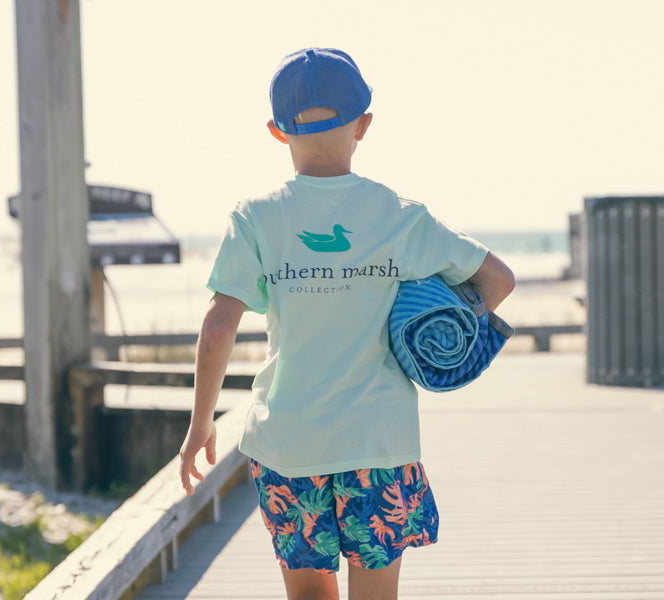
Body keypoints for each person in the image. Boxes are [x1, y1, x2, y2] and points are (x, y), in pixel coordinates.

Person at [177, 48, 515, 600]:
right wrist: (433, 329)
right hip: (378, 443)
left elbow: (217, 329)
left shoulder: (256, 217)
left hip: (288, 445)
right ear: (364, 124)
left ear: (276, 132)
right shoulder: (399, 214)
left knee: (309, 594)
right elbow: (499, 281)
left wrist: (200, 426)